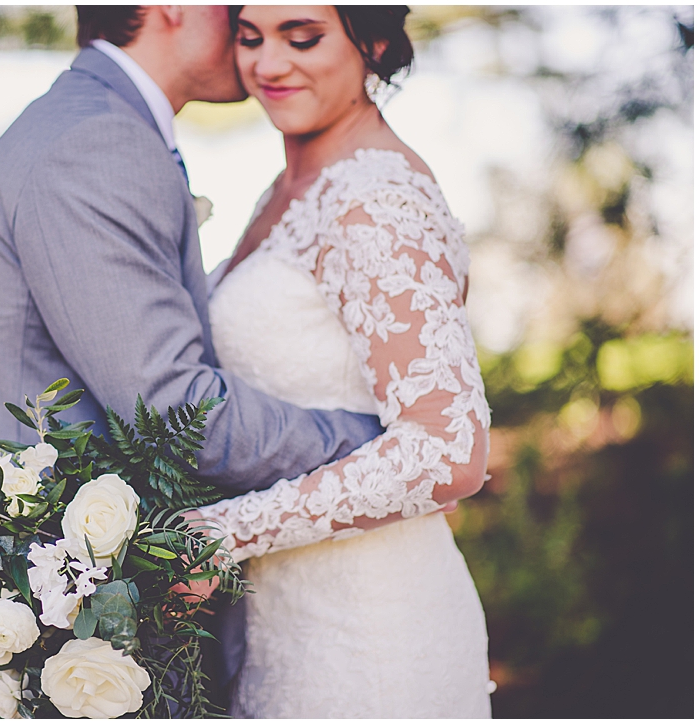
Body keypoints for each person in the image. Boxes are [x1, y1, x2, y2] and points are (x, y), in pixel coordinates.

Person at [0, 5, 384, 708]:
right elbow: (176, 407)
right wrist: (372, 442)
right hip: (70, 625)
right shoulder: (96, 141)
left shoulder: (90, 124)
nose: (245, 15)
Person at [190, 5, 494, 717]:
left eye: (302, 37)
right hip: (284, 625)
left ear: (376, 40)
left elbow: (449, 449)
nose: (268, 65)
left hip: (370, 638)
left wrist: (223, 535)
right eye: (250, 37)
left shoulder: (375, 198)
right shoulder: (293, 185)